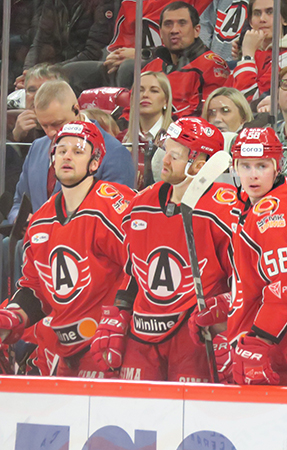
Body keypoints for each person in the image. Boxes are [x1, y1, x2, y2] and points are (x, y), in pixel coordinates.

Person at [190, 127, 287, 386]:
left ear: (277, 166)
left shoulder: (272, 213)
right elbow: (264, 279)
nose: (253, 175)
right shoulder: (279, 195)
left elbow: (286, 287)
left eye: (262, 166)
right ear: (235, 168)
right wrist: (226, 304)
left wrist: (259, 341)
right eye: (245, 166)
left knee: (276, 421)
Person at [90, 117, 235, 382]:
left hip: (194, 333)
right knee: (136, 411)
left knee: (192, 416)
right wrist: (121, 311)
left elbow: (241, 279)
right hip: (142, 332)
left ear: (201, 165)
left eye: (175, 156)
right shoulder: (142, 201)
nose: (165, 160)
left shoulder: (224, 208)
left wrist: (229, 326)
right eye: (165, 151)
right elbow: (134, 270)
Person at [0, 121, 135, 378]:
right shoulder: (40, 220)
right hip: (63, 346)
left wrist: (120, 315)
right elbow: (34, 287)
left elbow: (140, 267)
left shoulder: (114, 205)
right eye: (61, 150)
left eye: (78, 150)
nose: (68, 156)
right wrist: (14, 315)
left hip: (111, 342)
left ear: (95, 162)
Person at [8, 80, 135, 224]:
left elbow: (116, 215)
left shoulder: (114, 153)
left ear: (76, 109)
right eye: (44, 125)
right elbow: (18, 202)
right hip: (34, 242)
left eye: (57, 124)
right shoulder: (37, 147)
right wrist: (19, 219)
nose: (50, 133)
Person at [143, 1, 231, 117]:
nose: (174, 30)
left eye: (182, 23)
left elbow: (207, 115)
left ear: (197, 30)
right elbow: (130, 108)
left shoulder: (212, 66)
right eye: (168, 24)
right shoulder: (151, 67)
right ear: (160, 32)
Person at [232, 0, 287, 102]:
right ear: (250, 22)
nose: (262, 19)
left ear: (284, 19)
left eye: (270, 12)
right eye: (257, 13)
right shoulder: (250, 52)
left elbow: (249, 100)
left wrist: (247, 56)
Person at [11, 63, 66, 143]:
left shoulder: (72, 130)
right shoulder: (8, 124)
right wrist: (16, 138)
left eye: (44, 89)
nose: (37, 96)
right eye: (32, 90)